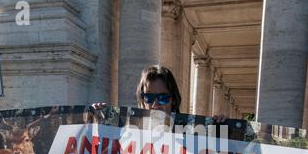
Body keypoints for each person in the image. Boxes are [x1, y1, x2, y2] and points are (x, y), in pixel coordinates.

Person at [90, 65, 227, 122]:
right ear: (142, 99)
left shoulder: (192, 134)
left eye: (163, 97)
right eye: (149, 97)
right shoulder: (124, 131)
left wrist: (225, 133)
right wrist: (99, 122)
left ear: (173, 100)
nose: (155, 104)